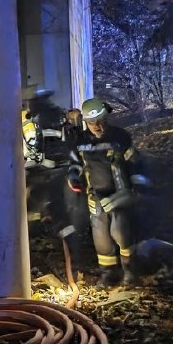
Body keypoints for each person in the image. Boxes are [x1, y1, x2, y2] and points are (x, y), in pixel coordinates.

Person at [67, 98, 144, 287]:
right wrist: (73, 176)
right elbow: (75, 163)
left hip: (120, 194)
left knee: (121, 231)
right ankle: (108, 274)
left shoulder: (120, 137)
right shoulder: (80, 141)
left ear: (106, 118)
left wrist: (138, 185)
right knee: (101, 237)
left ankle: (130, 272)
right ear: (85, 122)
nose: (97, 126)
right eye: (92, 123)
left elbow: (134, 162)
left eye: (100, 121)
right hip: (96, 196)